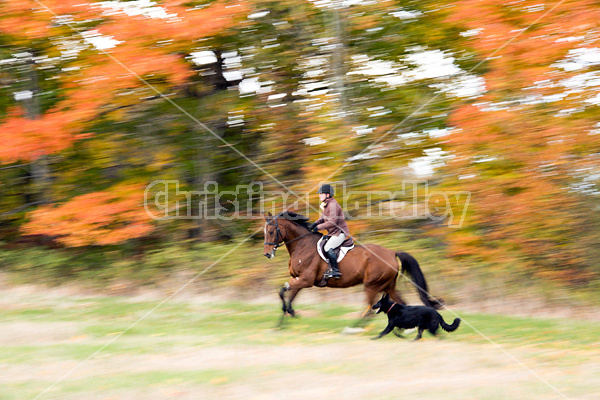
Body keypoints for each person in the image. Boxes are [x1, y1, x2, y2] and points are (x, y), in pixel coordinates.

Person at [309, 184, 352, 279]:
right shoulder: (327, 204)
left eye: (321, 194)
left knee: (328, 247)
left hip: (340, 233)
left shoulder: (333, 205)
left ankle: (336, 270)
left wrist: (318, 227)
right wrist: (314, 224)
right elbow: (322, 218)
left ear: (327, 195)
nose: (319, 195)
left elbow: (332, 222)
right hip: (332, 233)